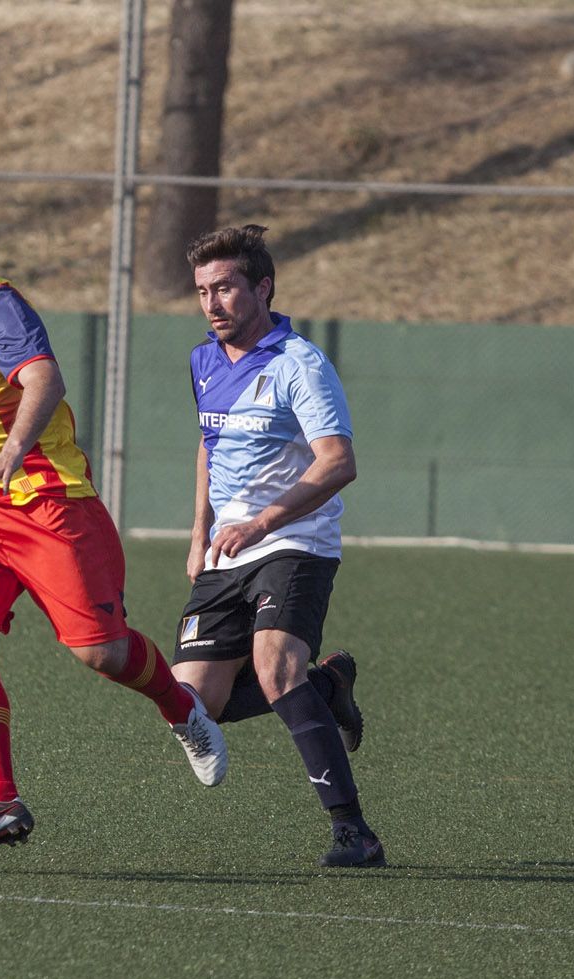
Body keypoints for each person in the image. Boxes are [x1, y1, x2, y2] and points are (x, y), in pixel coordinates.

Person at [0, 195, 226, 860]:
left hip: (45, 501)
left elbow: (43, 378)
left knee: (101, 652)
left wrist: (10, 451)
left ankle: (183, 709)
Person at [168, 224, 386, 868]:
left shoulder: (299, 364)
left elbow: (337, 462)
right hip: (227, 546)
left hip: (295, 538)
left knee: (274, 669)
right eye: (203, 290)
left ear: (262, 287)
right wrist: (198, 532)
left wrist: (262, 523)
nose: (213, 302)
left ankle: (354, 833)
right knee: (191, 705)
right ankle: (325, 685)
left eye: (227, 287)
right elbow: (210, 447)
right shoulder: (203, 360)